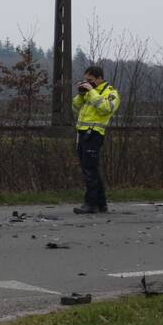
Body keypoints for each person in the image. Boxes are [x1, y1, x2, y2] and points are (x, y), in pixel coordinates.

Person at [71, 65, 120, 214]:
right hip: (83, 133)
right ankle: (101, 204)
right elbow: (75, 106)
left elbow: (107, 108)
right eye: (86, 80)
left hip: (94, 134)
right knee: (89, 169)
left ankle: (90, 204)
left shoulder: (111, 92)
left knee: (90, 170)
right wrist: (81, 93)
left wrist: (91, 92)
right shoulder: (89, 93)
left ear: (99, 78)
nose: (88, 82)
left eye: (90, 80)